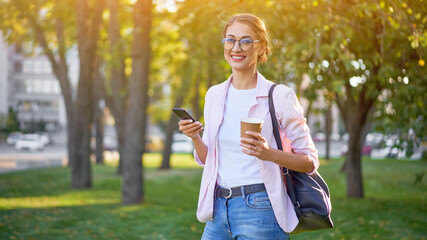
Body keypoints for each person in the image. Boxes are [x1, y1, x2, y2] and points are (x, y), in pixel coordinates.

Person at [178, 13, 319, 239]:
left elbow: (309, 162)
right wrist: (195, 137)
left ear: (261, 47)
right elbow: (209, 161)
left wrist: (268, 153)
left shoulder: (279, 96)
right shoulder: (214, 95)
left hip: (260, 209)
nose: (236, 47)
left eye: (246, 40)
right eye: (230, 39)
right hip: (217, 211)